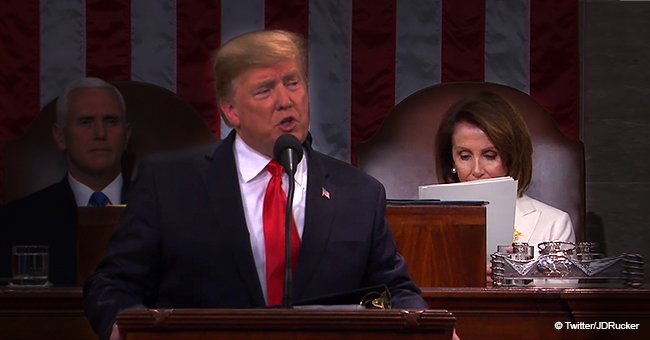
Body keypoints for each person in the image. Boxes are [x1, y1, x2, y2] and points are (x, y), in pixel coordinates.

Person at [83, 30, 430, 340]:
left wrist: (430, 328)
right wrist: (126, 327)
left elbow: (395, 289)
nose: (285, 100)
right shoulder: (170, 185)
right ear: (231, 110)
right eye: (265, 89)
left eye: (293, 83)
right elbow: (113, 283)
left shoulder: (359, 193)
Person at [0, 77, 132, 286]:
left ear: (126, 136)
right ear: (60, 136)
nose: (100, 133)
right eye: (86, 121)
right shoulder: (13, 223)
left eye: (111, 121)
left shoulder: (165, 214)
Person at [435, 91, 576, 259]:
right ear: (451, 160)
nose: (477, 170)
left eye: (490, 156)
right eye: (465, 156)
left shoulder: (554, 224)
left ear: (511, 157)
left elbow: (559, 284)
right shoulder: (422, 222)